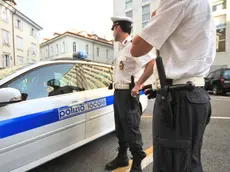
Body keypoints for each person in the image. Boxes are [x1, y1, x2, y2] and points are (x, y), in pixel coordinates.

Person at [129, 0, 216, 172]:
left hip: (178, 98)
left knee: (170, 164)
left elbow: (136, 48)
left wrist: (155, 18)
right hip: (194, 93)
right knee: (189, 162)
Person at [105, 16, 155, 172]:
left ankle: (138, 161)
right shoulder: (122, 47)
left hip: (128, 93)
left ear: (118, 28)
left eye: (113, 28)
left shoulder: (134, 45)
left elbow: (151, 63)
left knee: (131, 128)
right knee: (120, 128)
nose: (112, 31)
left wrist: (138, 84)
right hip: (119, 92)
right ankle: (122, 157)